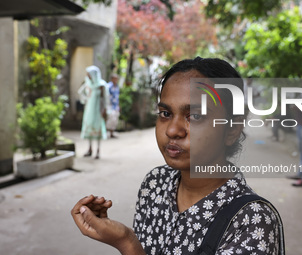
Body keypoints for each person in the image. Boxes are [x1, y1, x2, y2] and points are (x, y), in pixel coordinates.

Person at [71, 57, 284, 254]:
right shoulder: (155, 183)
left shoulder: (253, 221)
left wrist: (127, 242)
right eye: (165, 113)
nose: (172, 130)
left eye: (195, 116)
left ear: (232, 129)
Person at [80, 65, 107, 159]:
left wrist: (105, 110)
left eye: (89, 74)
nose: (88, 76)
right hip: (89, 110)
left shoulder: (101, 85)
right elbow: (80, 92)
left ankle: (98, 150)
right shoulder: (88, 84)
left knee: (98, 129)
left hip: (98, 110)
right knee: (89, 129)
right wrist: (86, 100)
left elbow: (105, 99)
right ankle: (90, 149)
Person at [106, 74, 120, 138]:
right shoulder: (108, 86)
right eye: (114, 79)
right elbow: (106, 96)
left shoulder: (117, 87)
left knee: (115, 119)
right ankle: (106, 133)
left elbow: (117, 97)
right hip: (109, 105)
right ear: (112, 79)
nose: (116, 80)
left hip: (116, 105)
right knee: (110, 118)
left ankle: (112, 133)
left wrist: (119, 105)